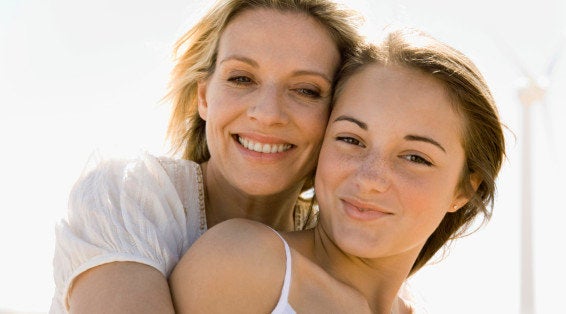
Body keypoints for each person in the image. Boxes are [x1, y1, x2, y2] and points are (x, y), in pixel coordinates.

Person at [50, 0, 362, 312]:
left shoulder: (348, 249)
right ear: (204, 97)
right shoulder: (129, 199)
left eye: (306, 90)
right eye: (241, 78)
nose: (267, 114)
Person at [169, 28, 506, 313]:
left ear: (465, 190)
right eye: (350, 139)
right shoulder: (246, 264)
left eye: (415, 158)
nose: (370, 179)